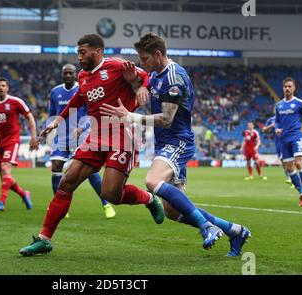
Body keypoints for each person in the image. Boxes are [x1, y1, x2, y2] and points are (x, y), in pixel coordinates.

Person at [100, 33, 251, 256]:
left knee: (152, 181)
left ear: (158, 54)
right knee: (172, 211)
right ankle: (235, 231)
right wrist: (137, 84)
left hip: (178, 140)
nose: (143, 64)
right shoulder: (155, 74)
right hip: (165, 143)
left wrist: (130, 117)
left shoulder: (173, 78)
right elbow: (146, 86)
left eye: (145, 59)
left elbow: (166, 119)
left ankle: (207, 226)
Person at [19, 34, 165, 256]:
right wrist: (58, 121)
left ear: (97, 52)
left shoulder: (116, 65)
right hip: (96, 135)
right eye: (78, 52)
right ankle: (44, 239)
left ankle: (149, 198)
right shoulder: (83, 75)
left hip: (121, 134)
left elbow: (146, 76)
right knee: (67, 182)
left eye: (83, 52)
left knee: (112, 194)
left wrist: (142, 86)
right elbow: (79, 97)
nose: (79, 56)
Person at [48, 63, 116, 219]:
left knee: (89, 172)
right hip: (61, 137)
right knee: (56, 167)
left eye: (70, 73)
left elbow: (92, 110)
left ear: (75, 74)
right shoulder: (55, 92)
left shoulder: (84, 88)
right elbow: (52, 113)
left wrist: (81, 127)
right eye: (65, 73)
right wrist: (49, 130)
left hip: (81, 135)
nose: (67, 76)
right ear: (62, 74)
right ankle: (59, 207)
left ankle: (106, 204)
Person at [0, 77, 37, 212]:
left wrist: (33, 137)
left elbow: (30, 117)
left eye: (3, 85)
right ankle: (24, 194)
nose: (1, 88)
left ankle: (1, 202)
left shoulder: (16, 102)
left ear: (7, 88)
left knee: (6, 169)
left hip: (12, 141)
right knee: (5, 178)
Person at [275, 77, 302, 206]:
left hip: (296, 137)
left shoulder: (300, 103)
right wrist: (276, 129)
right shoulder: (279, 105)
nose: (287, 88)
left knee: (298, 163)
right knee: (289, 167)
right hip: (284, 140)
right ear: (283, 88)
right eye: (285, 86)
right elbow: (276, 121)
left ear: (294, 88)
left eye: (289, 86)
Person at [262, 115, 293, 188]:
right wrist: (266, 128)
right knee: (282, 160)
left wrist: (273, 125)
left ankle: (293, 178)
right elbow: (264, 130)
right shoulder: (270, 119)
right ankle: (289, 177)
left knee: (289, 160)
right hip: (278, 141)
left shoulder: (285, 116)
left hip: (286, 138)